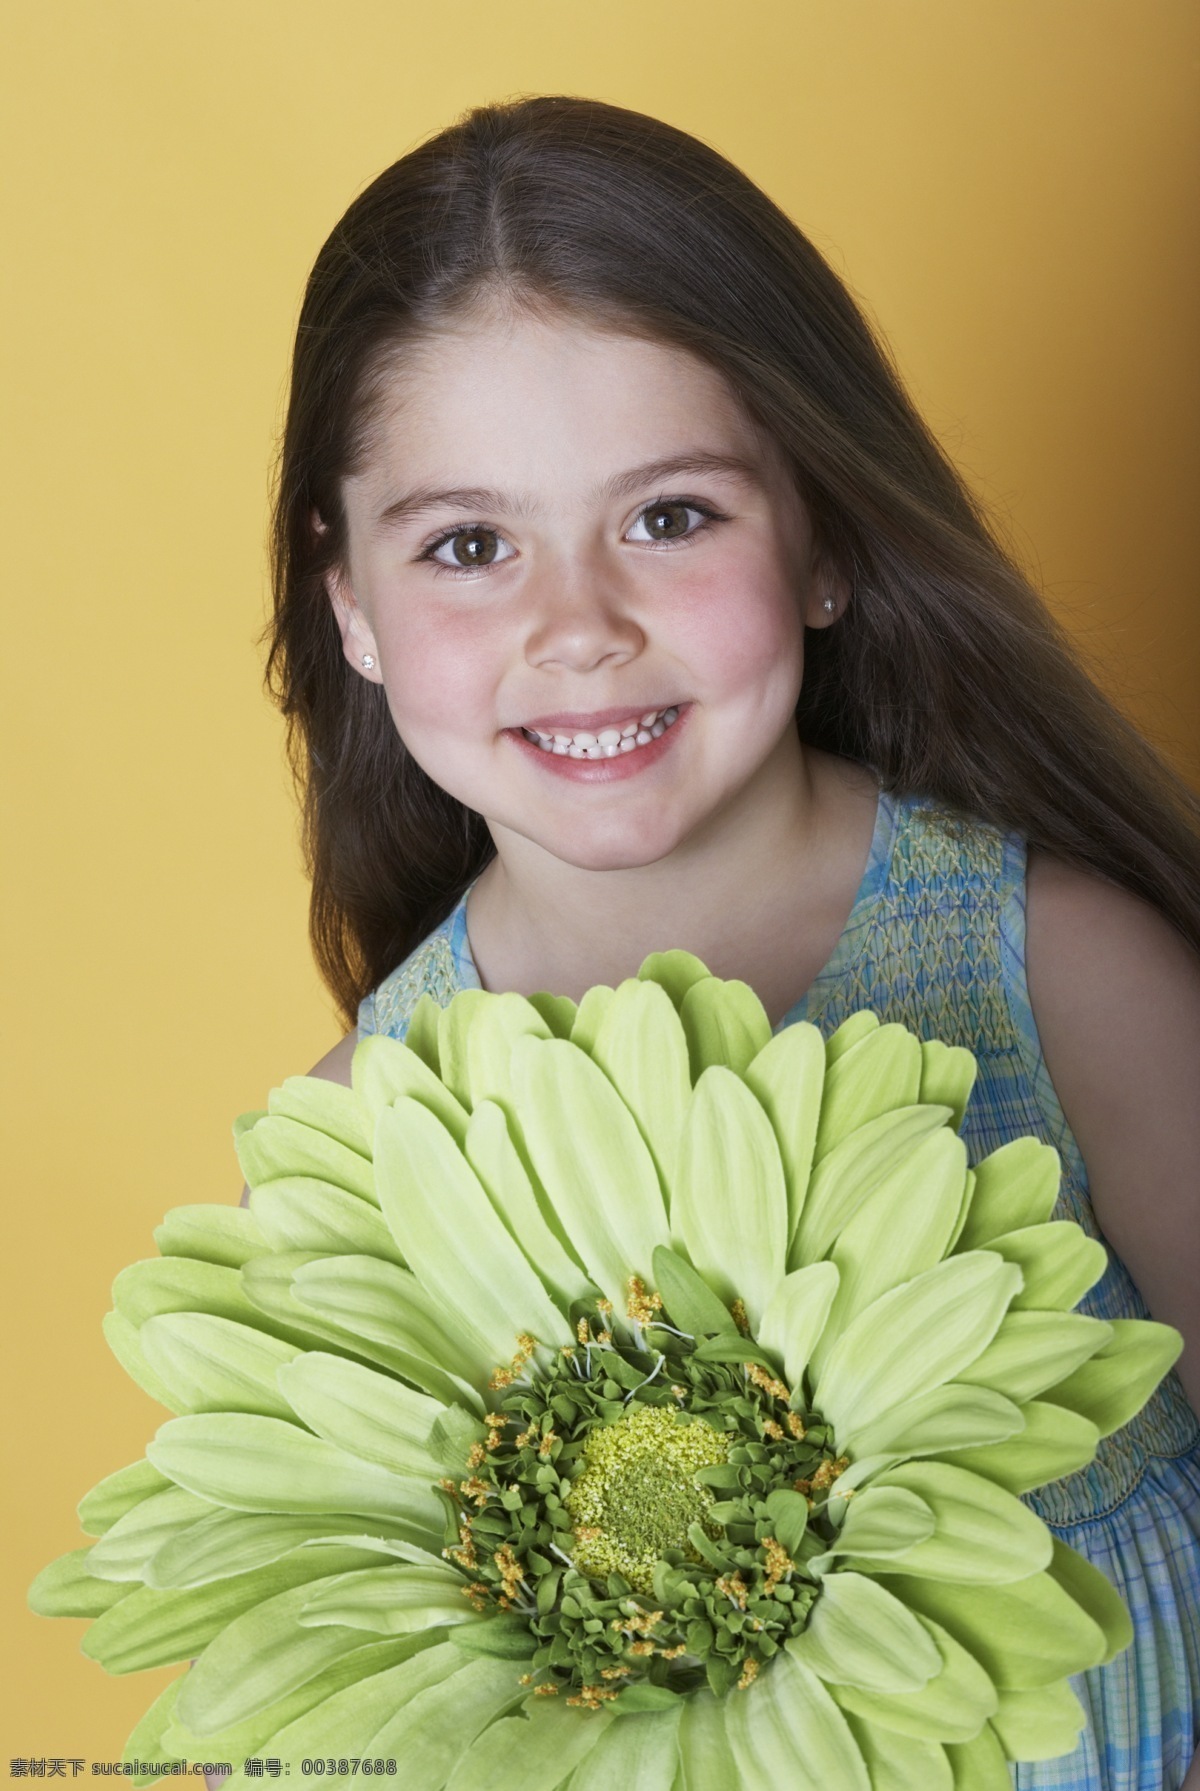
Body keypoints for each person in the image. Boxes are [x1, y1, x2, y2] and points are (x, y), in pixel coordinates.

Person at [258, 96, 1200, 1790]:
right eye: (471, 546)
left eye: (671, 517)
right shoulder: (355, 1150)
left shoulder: (1073, 977)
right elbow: (358, 1702)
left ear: (823, 537)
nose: (578, 626)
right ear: (351, 610)